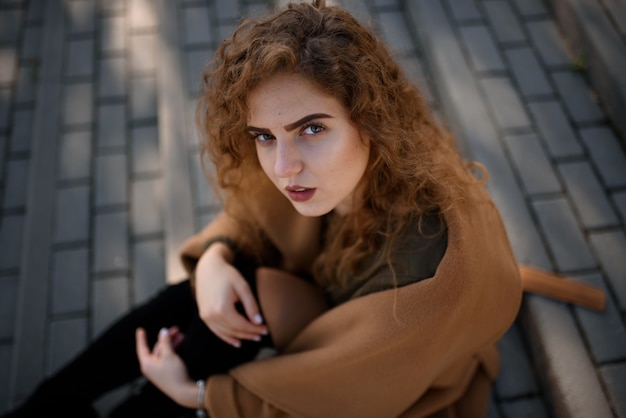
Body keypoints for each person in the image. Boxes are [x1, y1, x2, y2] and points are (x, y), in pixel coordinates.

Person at [4, 1, 525, 416]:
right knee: (208, 297)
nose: (283, 167)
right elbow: (250, 221)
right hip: (318, 310)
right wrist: (213, 260)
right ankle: (44, 407)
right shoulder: (329, 165)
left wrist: (200, 395)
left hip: (388, 376)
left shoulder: (429, 272)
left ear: (370, 122)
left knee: (204, 346)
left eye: (312, 129)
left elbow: (344, 393)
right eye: (263, 136)